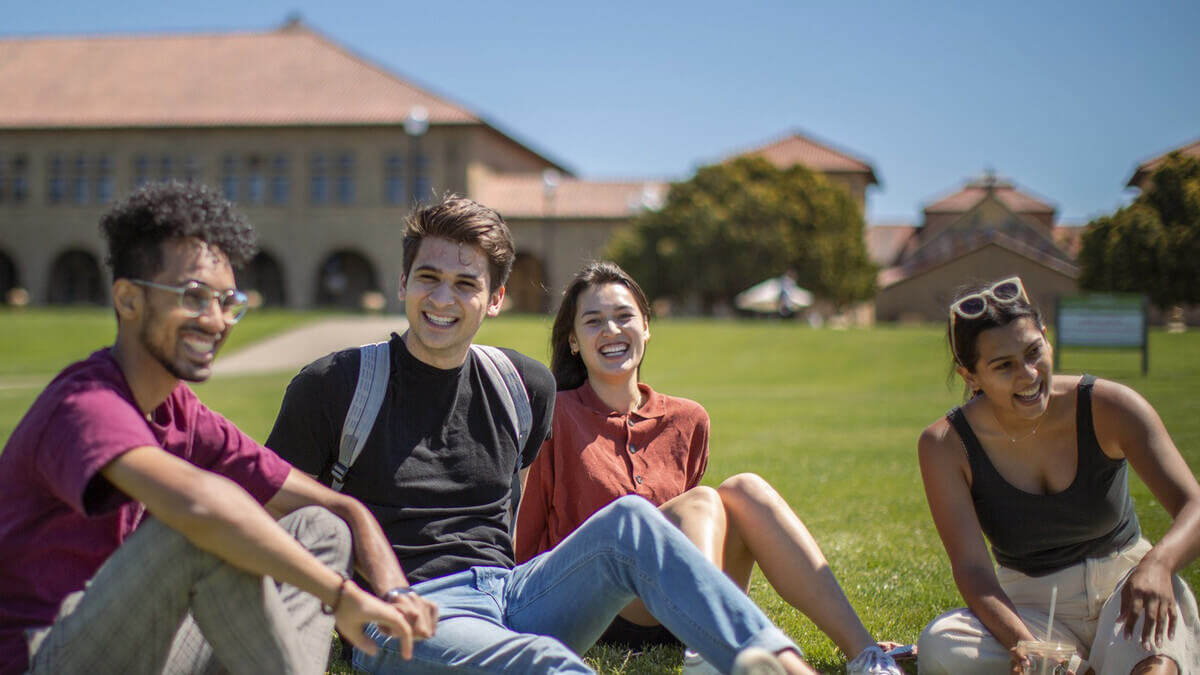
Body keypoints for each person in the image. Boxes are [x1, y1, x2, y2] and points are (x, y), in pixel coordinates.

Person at [267, 195, 818, 675]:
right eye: (429, 278)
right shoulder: (334, 385)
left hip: (510, 593)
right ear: (402, 281)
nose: (442, 299)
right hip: (404, 614)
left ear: (496, 298)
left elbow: (510, 515)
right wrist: (338, 602)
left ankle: (767, 660)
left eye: (466, 284)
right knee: (543, 663)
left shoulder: (522, 386)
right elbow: (273, 512)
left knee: (632, 520)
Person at [0, 182, 436, 675]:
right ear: (127, 300)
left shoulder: (180, 411)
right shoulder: (85, 405)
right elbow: (202, 507)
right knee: (195, 532)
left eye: (227, 301)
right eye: (192, 297)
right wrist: (338, 594)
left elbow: (340, 507)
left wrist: (394, 592)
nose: (215, 320)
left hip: (140, 643)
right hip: (44, 656)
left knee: (320, 528)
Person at [514, 261, 903, 675]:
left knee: (745, 488)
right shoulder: (551, 415)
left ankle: (864, 653)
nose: (611, 330)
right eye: (594, 321)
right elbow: (526, 542)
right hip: (595, 605)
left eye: (624, 316)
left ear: (646, 327)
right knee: (702, 500)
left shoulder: (688, 419)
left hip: (672, 608)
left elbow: (701, 528)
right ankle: (710, 646)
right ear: (574, 341)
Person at [916, 276, 1200, 674]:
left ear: (1047, 338)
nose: (1029, 374)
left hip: (1128, 589)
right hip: (1030, 607)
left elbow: (1195, 505)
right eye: (1004, 366)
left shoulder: (1110, 405)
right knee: (942, 644)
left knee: (1155, 665)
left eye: (1035, 352)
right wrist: (1025, 643)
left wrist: (1159, 565)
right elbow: (973, 570)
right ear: (970, 377)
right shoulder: (945, 444)